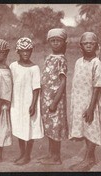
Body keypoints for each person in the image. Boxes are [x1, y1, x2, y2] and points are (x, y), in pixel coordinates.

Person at [69, 32, 101, 171]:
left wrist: (91, 107)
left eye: (92, 43)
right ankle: (91, 157)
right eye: (86, 43)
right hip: (79, 101)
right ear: (81, 46)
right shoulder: (78, 62)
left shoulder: (96, 62)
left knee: (91, 127)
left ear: (96, 45)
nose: (89, 45)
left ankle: (88, 159)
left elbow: (97, 86)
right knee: (85, 128)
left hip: (91, 102)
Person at [10, 37, 44, 165]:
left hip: (29, 102)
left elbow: (36, 88)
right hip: (17, 102)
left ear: (31, 51)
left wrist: (33, 104)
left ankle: (27, 155)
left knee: (29, 128)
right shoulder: (13, 66)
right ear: (18, 52)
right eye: (22, 51)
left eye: (28, 51)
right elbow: (10, 84)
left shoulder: (34, 68)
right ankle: (22, 153)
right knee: (19, 127)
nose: (25, 53)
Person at [39, 28, 68, 165]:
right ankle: (50, 154)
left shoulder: (61, 60)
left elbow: (63, 82)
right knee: (50, 127)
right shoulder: (49, 58)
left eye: (58, 41)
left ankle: (56, 157)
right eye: (53, 40)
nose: (56, 43)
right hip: (46, 99)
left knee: (56, 128)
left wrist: (55, 102)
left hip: (56, 101)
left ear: (63, 42)